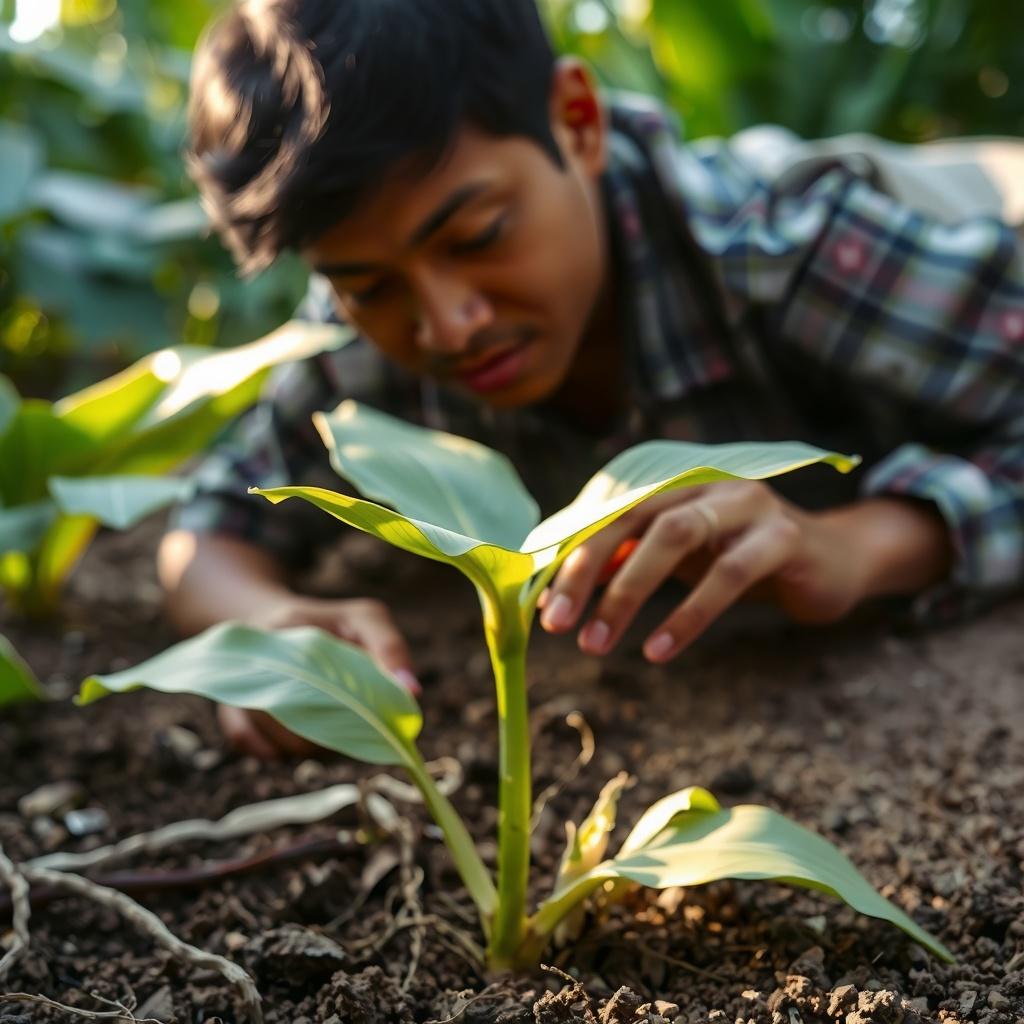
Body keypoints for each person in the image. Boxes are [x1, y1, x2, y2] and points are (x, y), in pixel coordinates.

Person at [161, 0, 1024, 757]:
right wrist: (266, 626)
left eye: (479, 236)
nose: (448, 325)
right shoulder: (358, 350)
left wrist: (860, 547)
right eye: (368, 286)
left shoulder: (786, 249)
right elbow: (209, 528)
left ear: (577, 122)